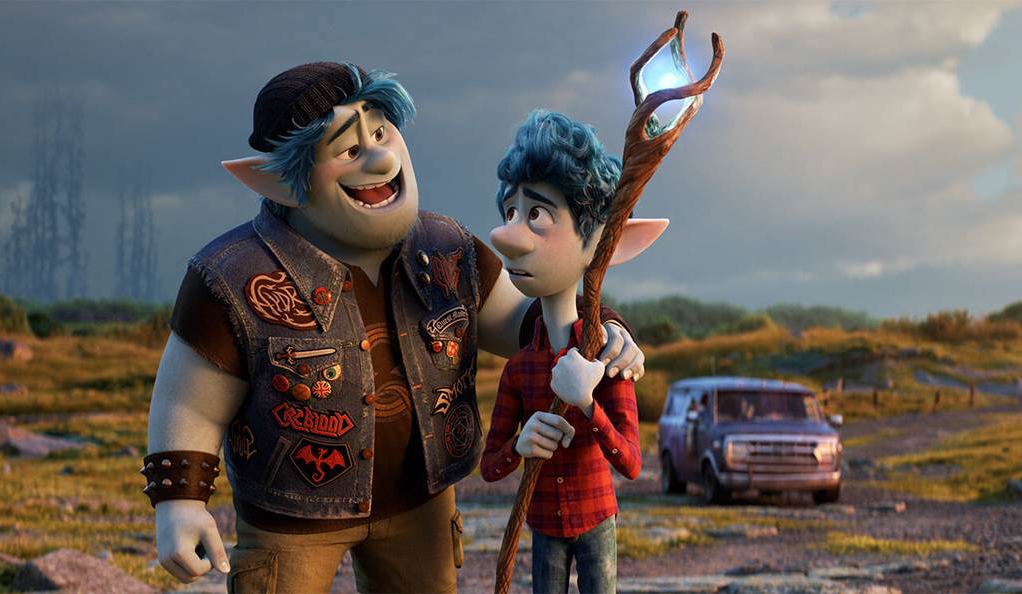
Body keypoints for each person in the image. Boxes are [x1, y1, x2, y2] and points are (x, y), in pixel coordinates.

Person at [142, 63, 646, 594]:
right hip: (290, 518)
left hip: (420, 505)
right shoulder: (234, 275)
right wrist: (179, 500)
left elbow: (526, 322)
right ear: (282, 182)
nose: (381, 159)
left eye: (381, 133)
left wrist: (604, 329)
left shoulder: (447, 248)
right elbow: (191, 402)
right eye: (348, 150)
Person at [479, 110, 668, 594]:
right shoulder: (519, 369)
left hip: (596, 517)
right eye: (511, 213)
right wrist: (520, 447)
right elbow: (490, 465)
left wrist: (587, 403)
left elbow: (631, 463)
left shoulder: (607, 361)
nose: (507, 235)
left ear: (599, 242)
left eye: (537, 215)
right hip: (544, 523)